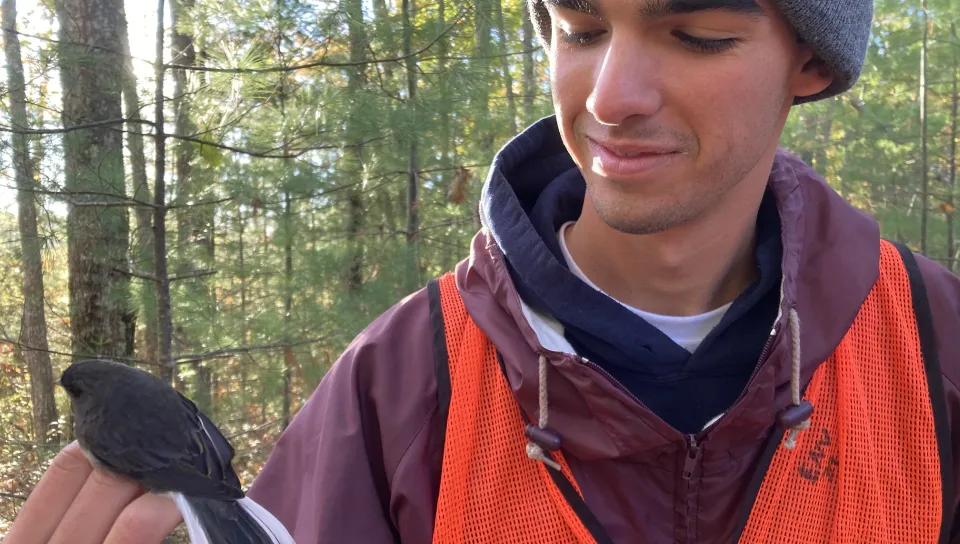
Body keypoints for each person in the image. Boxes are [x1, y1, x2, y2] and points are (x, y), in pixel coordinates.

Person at [7, 0, 960, 542]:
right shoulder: (403, 382)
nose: (609, 98)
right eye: (580, 28)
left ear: (812, 63)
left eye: (698, 32)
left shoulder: (935, 344)